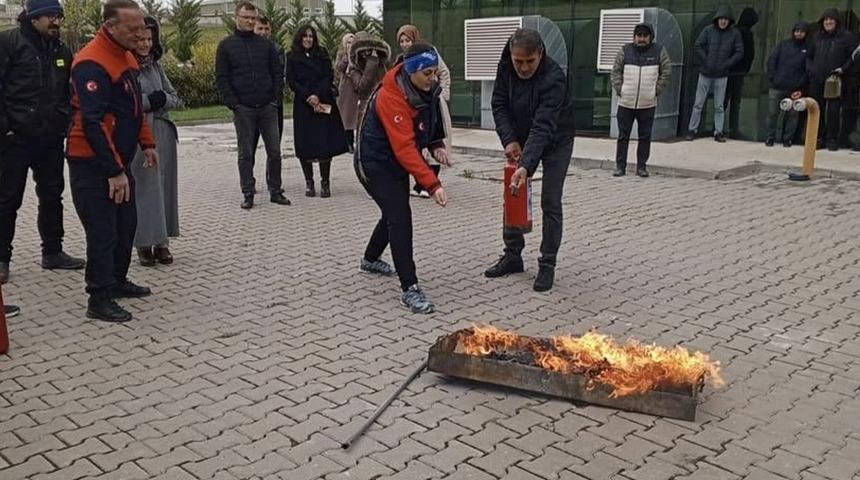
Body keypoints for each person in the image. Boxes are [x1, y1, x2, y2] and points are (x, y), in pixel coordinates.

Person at [66, 0, 157, 322]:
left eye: (141, 28)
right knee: (103, 231)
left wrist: (146, 142)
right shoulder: (91, 62)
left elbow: (132, 108)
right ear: (110, 27)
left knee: (125, 225)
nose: (139, 35)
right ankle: (98, 297)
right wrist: (114, 170)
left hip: (119, 161)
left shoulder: (126, 55)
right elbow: (93, 122)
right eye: (132, 29)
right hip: (94, 164)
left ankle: (117, 281)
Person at [355, 43, 450, 314]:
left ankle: (370, 259)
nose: (433, 78)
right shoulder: (390, 97)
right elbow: (405, 148)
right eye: (427, 73)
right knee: (399, 216)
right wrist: (432, 184)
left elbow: (430, 118)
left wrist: (436, 145)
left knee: (393, 212)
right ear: (411, 71)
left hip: (397, 164)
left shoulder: (426, 88)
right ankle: (410, 288)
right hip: (374, 164)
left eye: (435, 72)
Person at [0, 0, 86, 285]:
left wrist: (64, 121)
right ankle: (1, 259)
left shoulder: (61, 50)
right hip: (15, 139)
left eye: (59, 16)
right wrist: (6, 128)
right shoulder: (9, 43)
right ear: (33, 17)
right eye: (51, 16)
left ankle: (53, 251)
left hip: (50, 136)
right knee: (7, 199)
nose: (57, 21)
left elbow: (68, 91)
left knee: (52, 195)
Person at [484, 28, 575, 292]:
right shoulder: (505, 67)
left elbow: (544, 125)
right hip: (521, 135)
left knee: (550, 199)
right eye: (518, 62)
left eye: (530, 62)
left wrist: (526, 165)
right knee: (513, 191)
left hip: (557, 139)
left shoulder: (554, 77)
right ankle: (513, 256)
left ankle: (547, 264)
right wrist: (509, 140)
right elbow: (498, 104)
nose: (524, 68)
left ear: (541, 54)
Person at [215, 1, 289, 209]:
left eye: (253, 18)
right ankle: (248, 192)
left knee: (274, 151)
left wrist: (275, 98)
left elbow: (276, 74)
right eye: (246, 17)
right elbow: (222, 77)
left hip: (267, 106)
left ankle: (275, 190)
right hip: (243, 108)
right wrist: (233, 103)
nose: (250, 21)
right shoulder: (226, 46)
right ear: (236, 18)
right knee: (246, 153)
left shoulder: (266, 45)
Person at [130, 16, 180, 267]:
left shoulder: (156, 67)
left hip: (163, 131)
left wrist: (160, 99)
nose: (145, 44)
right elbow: (130, 102)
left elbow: (173, 97)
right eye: (140, 39)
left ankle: (162, 242)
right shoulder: (126, 68)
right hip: (141, 136)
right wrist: (151, 101)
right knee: (145, 189)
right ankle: (143, 243)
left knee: (164, 189)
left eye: (150, 39)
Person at [287, 25, 349, 198]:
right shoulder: (291, 56)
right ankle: (309, 182)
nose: (308, 39)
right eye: (305, 36)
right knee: (305, 143)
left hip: (322, 102)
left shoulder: (321, 53)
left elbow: (328, 76)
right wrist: (308, 96)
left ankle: (325, 182)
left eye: (311, 36)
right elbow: (291, 80)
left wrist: (318, 95)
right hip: (303, 104)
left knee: (324, 143)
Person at [395, 24, 452, 199]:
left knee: (433, 140)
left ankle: (429, 182)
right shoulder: (400, 60)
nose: (405, 44)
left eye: (408, 40)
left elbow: (444, 73)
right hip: (413, 107)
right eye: (402, 41)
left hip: (432, 102)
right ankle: (422, 182)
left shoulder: (429, 53)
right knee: (418, 146)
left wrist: (442, 93)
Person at [610, 23, 671, 178]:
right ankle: (620, 167)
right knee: (623, 137)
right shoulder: (625, 50)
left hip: (647, 103)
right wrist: (620, 89)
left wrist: (656, 91)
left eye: (645, 36)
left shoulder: (659, 51)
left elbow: (667, 71)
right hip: (626, 102)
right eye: (639, 36)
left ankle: (641, 167)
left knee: (645, 137)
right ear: (634, 37)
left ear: (650, 37)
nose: (641, 39)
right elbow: (615, 71)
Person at [685, 6, 743, 143]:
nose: (723, 22)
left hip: (722, 74)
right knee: (698, 104)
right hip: (705, 73)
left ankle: (718, 132)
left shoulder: (734, 34)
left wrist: (727, 64)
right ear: (717, 19)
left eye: (726, 19)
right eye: (721, 19)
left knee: (719, 105)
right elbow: (697, 45)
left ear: (730, 21)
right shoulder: (708, 30)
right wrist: (705, 60)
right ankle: (692, 130)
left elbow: (740, 52)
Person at [808, 8, 856, 151]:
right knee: (817, 108)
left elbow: (853, 57)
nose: (828, 22)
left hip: (835, 78)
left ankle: (832, 139)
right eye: (825, 20)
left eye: (831, 19)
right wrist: (811, 70)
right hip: (817, 78)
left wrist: (843, 69)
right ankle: (819, 138)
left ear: (836, 21)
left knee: (833, 110)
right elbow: (809, 56)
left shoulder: (847, 37)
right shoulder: (816, 37)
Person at [339, 31, 390, 156]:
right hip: (366, 106)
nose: (367, 52)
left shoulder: (381, 63)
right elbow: (362, 87)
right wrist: (371, 63)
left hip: (383, 105)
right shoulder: (354, 68)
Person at [765, 22, 809, 148]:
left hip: (795, 88)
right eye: (797, 31)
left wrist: (800, 87)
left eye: (802, 31)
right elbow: (772, 61)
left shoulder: (808, 48)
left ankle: (787, 139)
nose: (799, 33)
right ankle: (770, 137)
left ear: (806, 33)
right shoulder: (783, 45)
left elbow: (808, 70)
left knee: (793, 115)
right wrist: (773, 78)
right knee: (772, 112)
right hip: (777, 86)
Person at [724, 8, 758, 138]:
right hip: (737, 72)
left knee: (724, 101)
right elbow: (749, 54)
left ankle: (721, 127)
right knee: (734, 102)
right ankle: (733, 129)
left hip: (731, 71)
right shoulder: (744, 33)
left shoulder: (734, 31)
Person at [253, 16, 286, 141]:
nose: (263, 32)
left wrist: (274, 100)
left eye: (266, 29)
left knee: (274, 146)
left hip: (272, 103)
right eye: (260, 28)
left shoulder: (277, 50)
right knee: (249, 146)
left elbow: (278, 76)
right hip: (251, 104)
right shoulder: (247, 49)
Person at [335, 32, 356, 152]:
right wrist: (346, 57)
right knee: (345, 116)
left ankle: (352, 142)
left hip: (356, 87)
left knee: (354, 116)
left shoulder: (358, 54)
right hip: (345, 88)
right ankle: (346, 143)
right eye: (348, 42)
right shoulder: (342, 54)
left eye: (353, 42)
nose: (351, 44)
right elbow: (338, 68)